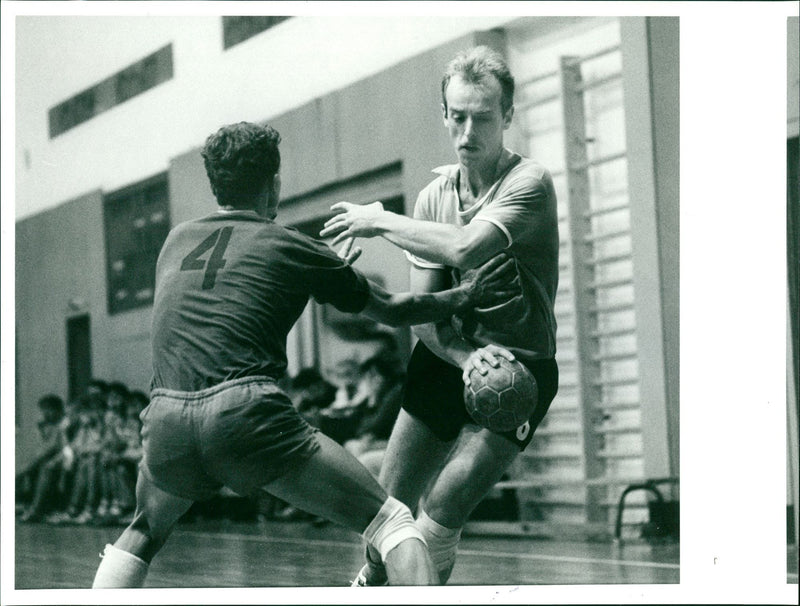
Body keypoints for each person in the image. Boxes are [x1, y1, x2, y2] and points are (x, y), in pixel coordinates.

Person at [91, 121, 519, 588]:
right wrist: (465, 294)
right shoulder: (292, 247)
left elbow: (232, 293)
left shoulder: (175, 241)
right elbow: (395, 310)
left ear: (215, 184)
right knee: (392, 523)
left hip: (166, 418)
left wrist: (319, 268)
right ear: (274, 182)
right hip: (243, 414)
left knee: (142, 532)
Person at [321, 45, 560, 585]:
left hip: (520, 367)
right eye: (458, 116)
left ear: (508, 116)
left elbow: (465, 246)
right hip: (446, 354)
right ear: (444, 115)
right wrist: (464, 356)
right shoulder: (433, 197)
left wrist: (380, 221)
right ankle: (373, 579)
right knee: (386, 512)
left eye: (483, 117)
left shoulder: (530, 183)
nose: (468, 131)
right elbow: (424, 312)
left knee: (444, 507)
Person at [17, 395, 66, 521]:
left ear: (57, 410)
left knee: (43, 468)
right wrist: (40, 430)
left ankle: (36, 509)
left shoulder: (63, 424)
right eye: (43, 410)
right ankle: (24, 503)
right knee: (28, 467)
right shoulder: (46, 426)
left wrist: (34, 462)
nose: (45, 413)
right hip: (51, 459)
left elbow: (56, 447)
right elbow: (42, 447)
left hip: (64, 459)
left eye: (48, 410)